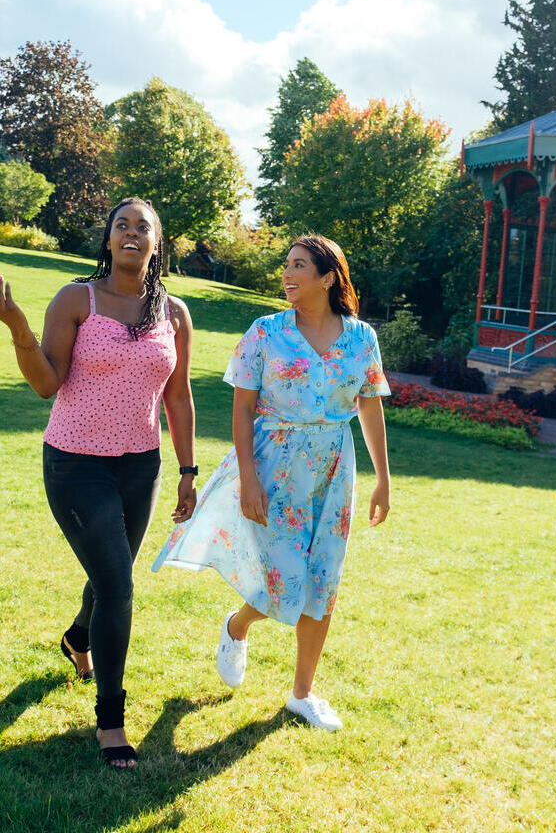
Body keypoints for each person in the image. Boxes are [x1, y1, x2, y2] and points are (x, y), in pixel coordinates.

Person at [153, 234, 391, 730]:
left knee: (323, 581)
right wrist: (248, 479)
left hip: (333, 469)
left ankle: (302, 695)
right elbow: (241, 410)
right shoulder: (265, 332)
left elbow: (369, 405)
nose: (286, 274)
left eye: (298, 266)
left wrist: (382, 479)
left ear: (327, 278)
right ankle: (237, 625)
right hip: (273, 464)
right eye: (286, 265)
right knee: (284, 581)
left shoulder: (361, 337)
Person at [0, 197, 196, 768]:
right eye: (121, 226)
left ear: (157, 243)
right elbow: (45, 383)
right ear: (108, 240)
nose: (132, 234)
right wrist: (15, 324)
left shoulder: (175, 314)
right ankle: (111, 720)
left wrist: (187, 472)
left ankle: (79, 638)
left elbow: (177, 397)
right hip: (75, 463)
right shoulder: (76, 299)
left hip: (142, 465)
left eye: (144, 227)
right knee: (117, 583)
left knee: (113, 575)